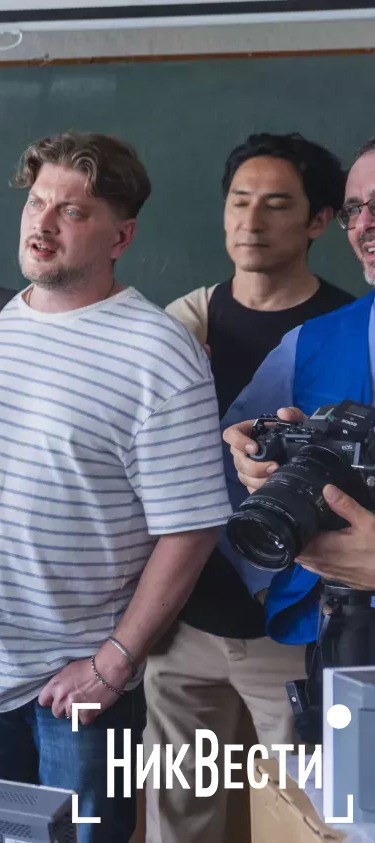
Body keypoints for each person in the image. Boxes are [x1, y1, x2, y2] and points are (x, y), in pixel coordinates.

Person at [0, 131, 230, 843]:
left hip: (84, 697)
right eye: (36, 201)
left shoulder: (158, 352)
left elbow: (193, 526)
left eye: (72, 212)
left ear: (121, 234)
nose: (42, 224)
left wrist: (113, 664)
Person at [147, 133, 352, 843]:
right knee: (181, 819)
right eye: (239, 201)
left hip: (293, 629)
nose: (251, 220)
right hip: (182, 621)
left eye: (276, 204)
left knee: (301, 822)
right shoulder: (181, 324)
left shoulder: (348, 335)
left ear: (320, 220)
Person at [220, 136, 375, 728]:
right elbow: (234, 462)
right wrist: (253, 465)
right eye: (355, 209)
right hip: (345, 646)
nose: (365, 224)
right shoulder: (312, 343)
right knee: (341, 817)